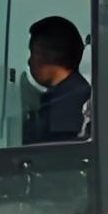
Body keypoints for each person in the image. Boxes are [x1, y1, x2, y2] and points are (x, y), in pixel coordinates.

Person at [25, 16, 92, 144]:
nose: (29, 61)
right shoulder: (74, 93)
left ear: (50, 55)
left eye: (33, 52)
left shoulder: (67, 105)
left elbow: (52, 154)